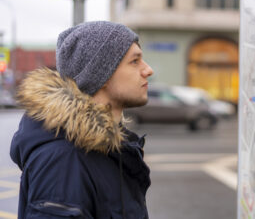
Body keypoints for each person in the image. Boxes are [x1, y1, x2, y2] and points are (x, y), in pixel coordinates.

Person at [10, 21, 154, 218]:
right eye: (135, 61)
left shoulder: (107, 147)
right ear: (101, 74)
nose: (148, 70)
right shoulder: (63, 161)